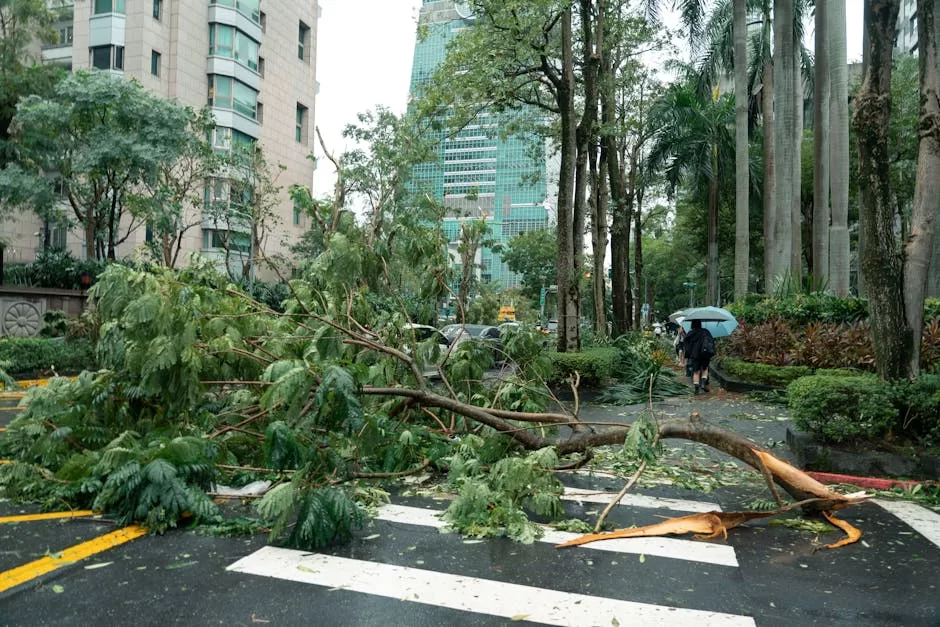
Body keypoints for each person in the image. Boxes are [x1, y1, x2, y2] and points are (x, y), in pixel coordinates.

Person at [682, 319, 715, 394]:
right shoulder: (706, 332)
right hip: (704, 353)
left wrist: (688, 355)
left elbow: (686, 345)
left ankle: (696, 387)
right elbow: (711, 341)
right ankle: (703, 382)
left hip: (694, 355)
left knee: (696, 371)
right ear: (700, 324)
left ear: (692, 324)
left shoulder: (690, 333)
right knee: (705, 368)